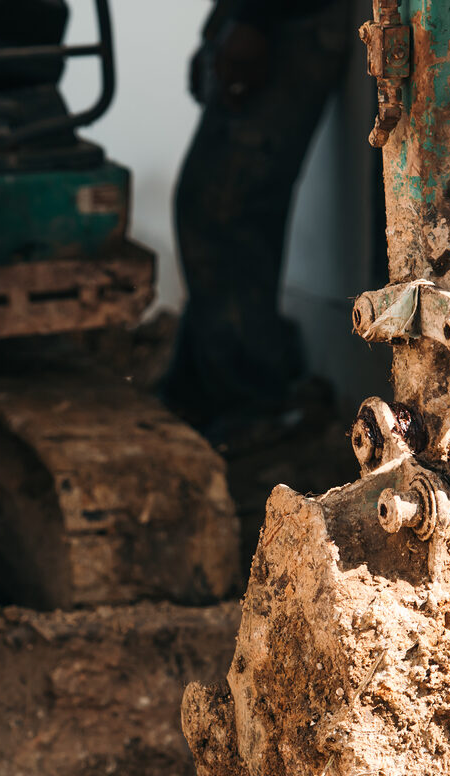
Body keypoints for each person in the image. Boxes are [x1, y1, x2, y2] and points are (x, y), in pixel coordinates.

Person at [156, 0, 356, 449]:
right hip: (271, 22)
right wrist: (220, 29)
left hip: (285, 22)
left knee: (223, 213)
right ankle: (202, 391)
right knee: (222, 212)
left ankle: (251, 405)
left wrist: (250, 21)